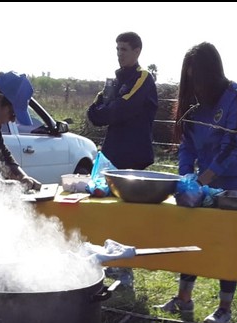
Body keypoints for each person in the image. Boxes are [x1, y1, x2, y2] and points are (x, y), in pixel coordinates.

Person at [158, 42, 237, 323]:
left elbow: (233, 143)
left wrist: (205, 178)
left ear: (212, 75)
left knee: (228, 242)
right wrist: (186, 177)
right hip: (203, 180)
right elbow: (187, 144)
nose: (195, 87)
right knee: (193, 236)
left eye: (198, 80)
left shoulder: (236, 97)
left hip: (236, 180)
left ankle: (224, 308)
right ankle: (183, 298)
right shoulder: (193, 103)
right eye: (189, 80)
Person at [87, 32, 158, 288]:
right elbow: (94, 114)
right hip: (112, 157)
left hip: (133, 157)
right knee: (109, 212)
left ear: (137, 51)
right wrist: (108, 110)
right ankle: (112, 263)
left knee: (127, 215)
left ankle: (126, 270)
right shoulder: (114, 81)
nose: (120, 54)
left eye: (124, 49)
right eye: (117, 49)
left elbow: (122, 108)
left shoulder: (142, 78)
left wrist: (109, 110)